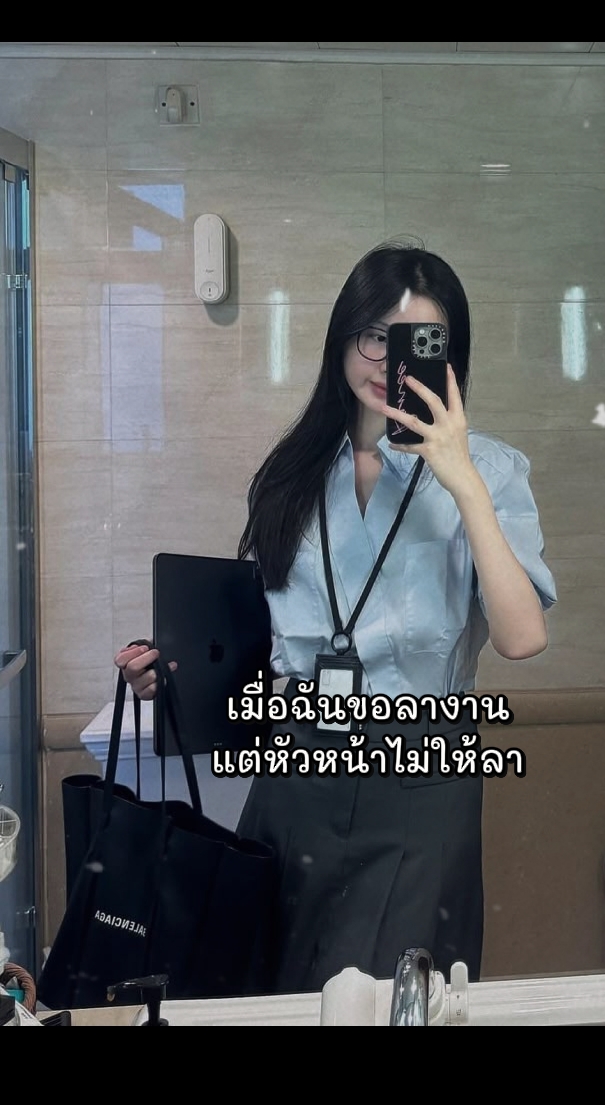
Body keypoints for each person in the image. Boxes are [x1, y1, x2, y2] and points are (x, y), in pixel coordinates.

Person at [116, 241, 557, 995]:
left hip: (420, 777)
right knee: (273, 987)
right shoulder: (293, 474)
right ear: (343, 338)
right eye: (373, 335)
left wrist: (461, 480)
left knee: (393, 994)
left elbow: (522, 637)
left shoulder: (490, 470)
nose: (389, 360)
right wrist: (172, 672)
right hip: (297, 771)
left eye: (417, 341)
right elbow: (265, 644)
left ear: (449, 356)